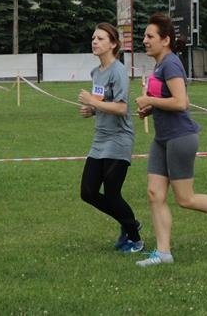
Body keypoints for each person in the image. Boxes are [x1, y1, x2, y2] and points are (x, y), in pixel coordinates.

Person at [133, 12, 207, 267]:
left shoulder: (171, 64)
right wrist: (150, 109)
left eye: (150, 36)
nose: (145, 41)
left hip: (180, 137)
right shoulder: (160, 64)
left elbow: (181, 102)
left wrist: (150, 100)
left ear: (165, 40)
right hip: (162, 139)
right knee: (154, 193)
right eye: (145, 36)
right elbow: (174, 99)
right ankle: (163, 253)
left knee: (185, 198)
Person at [77, 22, 144, 253]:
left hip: (119, 138)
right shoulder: (96, 73)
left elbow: (122, 108)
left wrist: (92, 102)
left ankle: (135, 239)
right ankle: (131, 223)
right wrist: (92, 109)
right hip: (100, 140)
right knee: (88, 192)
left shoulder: (118, 71)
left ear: (113, 44)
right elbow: (104, 102)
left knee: (112, 194)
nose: (94, 42)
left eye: (100, 38)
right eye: (93, 38)